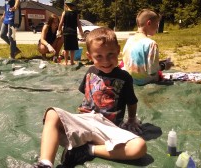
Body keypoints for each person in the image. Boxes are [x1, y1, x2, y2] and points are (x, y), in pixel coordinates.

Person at [33, 27, 147, 168]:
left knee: (139, 146)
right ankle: (45, 164)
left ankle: (87, 150)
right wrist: (75, 120)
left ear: (118, 50)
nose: (105, 61)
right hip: (86, 121)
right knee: (52, 114)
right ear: (89, 56)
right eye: (99, 56)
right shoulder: (90, 71)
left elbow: (132, 101)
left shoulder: (124, 77)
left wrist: (131, 120)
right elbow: (86, 95)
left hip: (108, 127)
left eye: (110, 54)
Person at [121, 9, 174, 85]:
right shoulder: (151, 44)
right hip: (145, 82)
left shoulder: (129, 40)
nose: (157, 27)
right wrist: (165, 65)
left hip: (130, 80)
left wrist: (159, 62)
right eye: (156, 24)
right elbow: (152, 71)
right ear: (149, 23)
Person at [57, 0, 84, 65]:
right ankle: (71, 61)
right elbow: (78, 24)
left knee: (66, 48)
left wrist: (58, 31)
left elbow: (60, 23)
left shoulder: (64, 12)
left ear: (66, 5)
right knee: (72, 48)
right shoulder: (76, 13)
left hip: (66, 33)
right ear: (74, 6)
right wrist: (81, 33)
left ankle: (66, 62)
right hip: (73, 33)